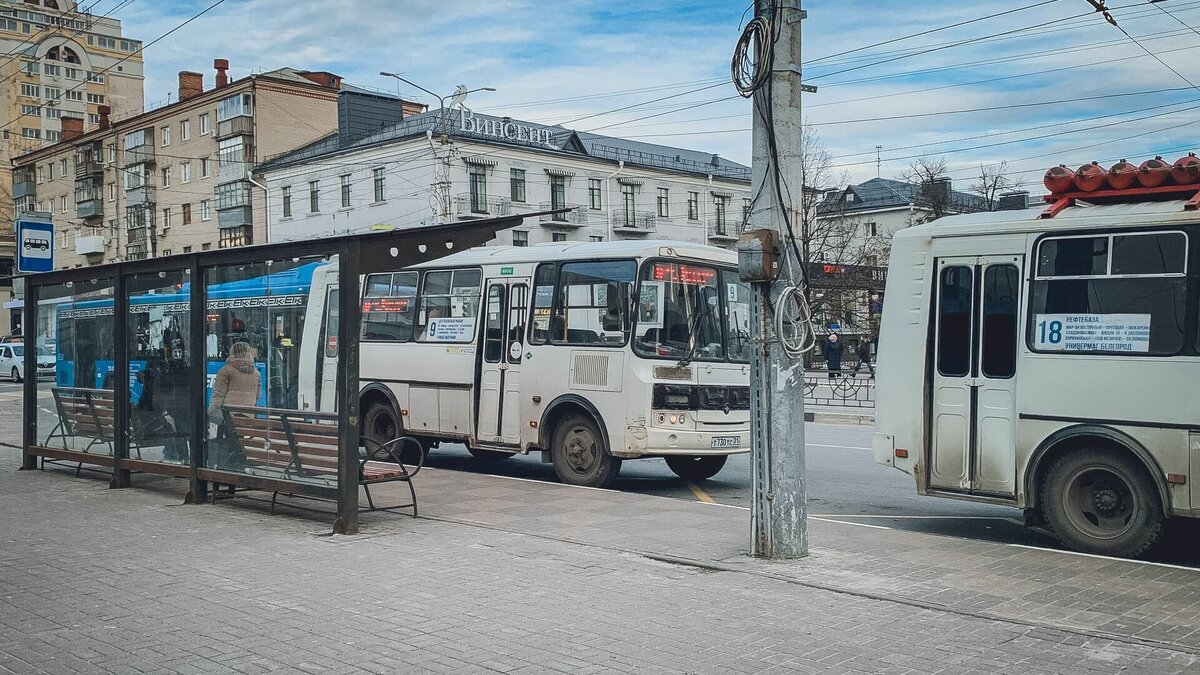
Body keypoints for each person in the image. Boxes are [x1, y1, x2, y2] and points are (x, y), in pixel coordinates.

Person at [207, 342, 260, 484]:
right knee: (238, 441)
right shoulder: (256, 373)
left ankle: (233, 470)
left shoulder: (226, 371)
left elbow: (218, 395)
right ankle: (239, 467)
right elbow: (257, 396)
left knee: (230, 442)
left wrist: (211, 413)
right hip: (248, 415)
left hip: (229, 415)